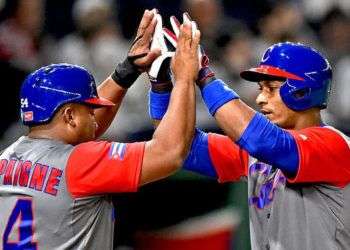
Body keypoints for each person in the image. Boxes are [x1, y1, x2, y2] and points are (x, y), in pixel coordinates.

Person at [0, 10, 200, 249]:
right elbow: (170, 152)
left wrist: (126, 71)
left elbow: (74, 138)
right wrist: (185, 78)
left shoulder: (7, 156)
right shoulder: (80, 162)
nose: (96, 118)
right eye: (89, 110)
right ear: (70, 115)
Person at [150, 17, 350, 250]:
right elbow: (177, 145)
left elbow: (263, 142)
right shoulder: (257, 152)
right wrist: (161, 84)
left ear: (302, 91)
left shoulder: (335, 146)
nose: (260, 98)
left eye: (271, 89)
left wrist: (204, 75)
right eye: (260, 88)